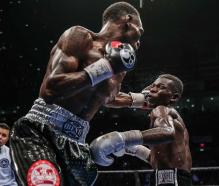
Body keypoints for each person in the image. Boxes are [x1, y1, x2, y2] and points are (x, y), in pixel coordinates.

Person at [9, 2, 144, 185]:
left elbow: (105, 98)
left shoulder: (120, 69)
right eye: (140, 30)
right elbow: (50, 90)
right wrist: (104, 67)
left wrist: (141, 100)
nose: (139, 41)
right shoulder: (80, 37)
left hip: (77, 143)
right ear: (128, 20)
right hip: (41, 132)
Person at [90, 74, 192, 186]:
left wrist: (122, 138)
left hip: (170, 178)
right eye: (153, 86)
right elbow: (162, 159)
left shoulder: (162, 109)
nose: (153, 89)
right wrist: (134, 149)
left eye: (161, 87)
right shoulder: (171, 116)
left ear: (174, 97)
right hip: (172, 177)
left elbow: (167, 132)